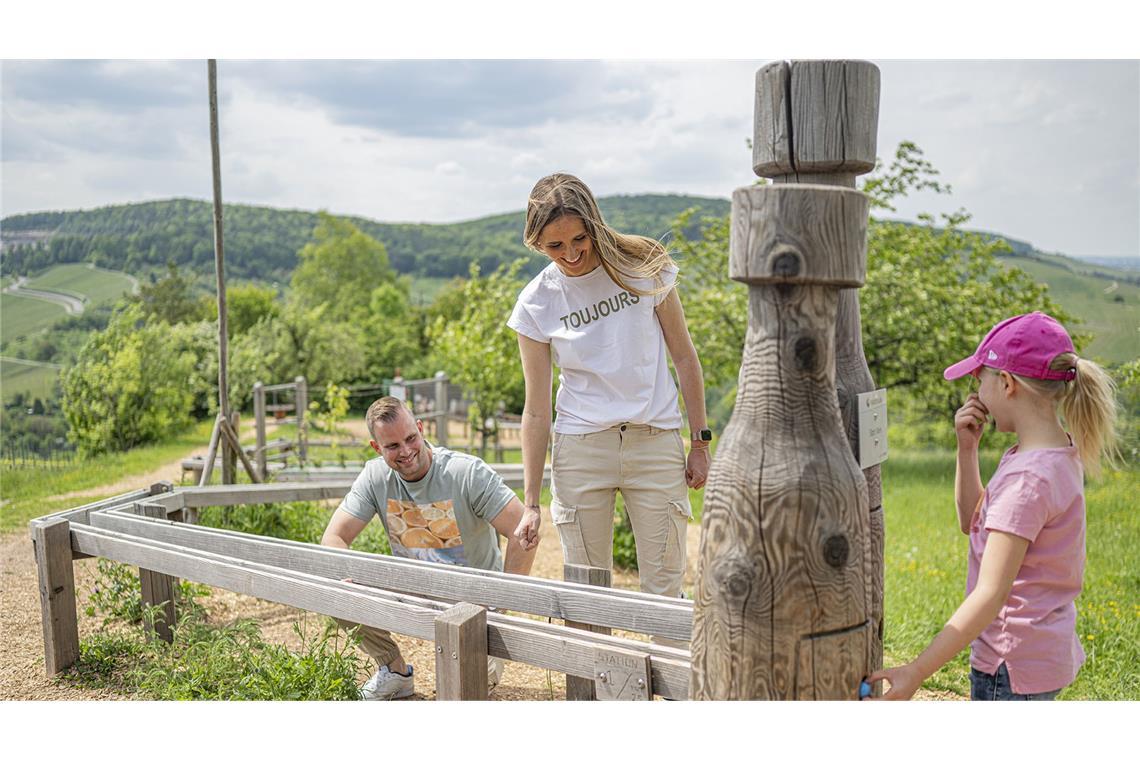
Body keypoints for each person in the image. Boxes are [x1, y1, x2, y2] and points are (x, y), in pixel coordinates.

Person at [868, 312, 1119, 700]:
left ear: (1006, 384)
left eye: (980, 379)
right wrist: (966, 450)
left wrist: (916, 672)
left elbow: (990, 595)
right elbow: (974, 520)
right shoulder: (1047, 456)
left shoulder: (1027, 480)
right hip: (1036, 653)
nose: (975, 391)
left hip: (1008, 665)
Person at [507, 173, 710, 620]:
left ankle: (677, 690)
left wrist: (699, 443)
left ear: (594, 225)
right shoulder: (536, 304)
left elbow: (685, 359)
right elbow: (537, 410)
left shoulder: (645, 266)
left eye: (580, 239)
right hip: (581, 449)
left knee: (664, 592)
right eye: (554, 247)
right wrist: (531, 503)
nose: (572, 254)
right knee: (587, 598)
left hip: (654, 441)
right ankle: (596, 691)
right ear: (536, 242)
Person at [321, 396, 540, 700]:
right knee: (334, 583)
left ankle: (483, 656)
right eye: (393, 446)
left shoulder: (466, 474)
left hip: (473, 608)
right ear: (376, 448)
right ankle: (393, 670)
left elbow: (523, 533)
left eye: (411, 438)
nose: (407, 451)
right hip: (412, 593)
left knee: (464, 690)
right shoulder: (375, 477)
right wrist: (347, 578)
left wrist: (501, 606)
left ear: (421, 429)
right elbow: (334, 537)